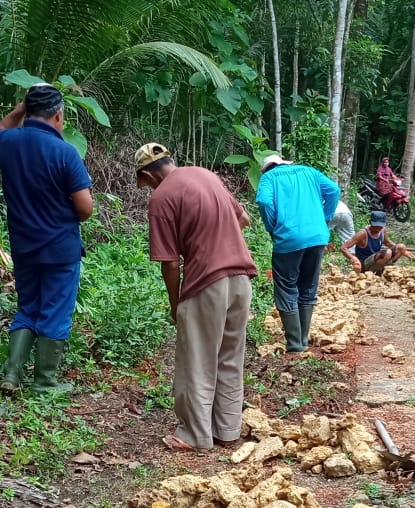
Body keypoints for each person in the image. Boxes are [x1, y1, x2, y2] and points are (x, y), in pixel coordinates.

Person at [134, 143, 258, 451]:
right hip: (241, 279)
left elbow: (171, 262)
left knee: (198, 360)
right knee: (229, 358)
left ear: (149, 174)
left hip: (206, 284)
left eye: (145, 182)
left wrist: (176, 305)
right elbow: (244, 221)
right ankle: (227, 430)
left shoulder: (162, 197)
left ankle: (194, 434)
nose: (148, 188)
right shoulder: (207, 175)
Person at [0, 84, 94, 395]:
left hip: (23, 245)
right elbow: (85, 209)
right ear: (58, 115)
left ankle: (12, 374)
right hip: (60, 248)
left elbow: (0, 128)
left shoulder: (8, 143)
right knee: (55, 310)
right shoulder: (65, 152)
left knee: (28, 307)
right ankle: (45, 382)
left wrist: (21, 108)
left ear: (27, 109)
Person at [255, 154, 341, 353]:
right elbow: (334, 191)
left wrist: (272, 227)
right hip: (318, 237)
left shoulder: (269, 178)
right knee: (308, 285)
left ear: (267, 168)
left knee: (286, 287)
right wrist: (324, 218)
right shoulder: (309, 171)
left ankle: (295, 345)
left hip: (288, 239)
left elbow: (265, 203)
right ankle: (303, 339)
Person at [341, 210, 413, 274]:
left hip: (377, 261)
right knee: (387, 253)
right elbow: (344, 248)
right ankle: (374, 274)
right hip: (365, 264)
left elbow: (387, 242)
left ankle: (384, 271)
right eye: (375, 226)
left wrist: (403, 251)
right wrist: (353, 258)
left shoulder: (382, 230)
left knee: (401, 247)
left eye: (380, 227)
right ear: (370, 223)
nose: (378, 229)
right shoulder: (362, 234)